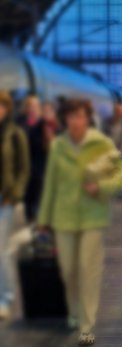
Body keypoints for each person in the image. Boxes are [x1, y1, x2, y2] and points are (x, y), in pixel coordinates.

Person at [37, 99, 122, 346]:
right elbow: (51, 184)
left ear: (88, 118)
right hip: (63, 217)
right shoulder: (58, 145)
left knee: (88, 271)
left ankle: (86, 326)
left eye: (80, 116)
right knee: (69, 271)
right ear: (65, 119)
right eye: (71, 116)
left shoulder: (101, 144)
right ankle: (74, 312)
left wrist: (101, 186)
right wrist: (43, 220)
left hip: (92, 217)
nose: (76, 121)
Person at [0, 91, 30, 320]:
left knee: (3, 252)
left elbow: (23, 169)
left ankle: (6, 298)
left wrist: (15, 194)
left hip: (6, 199)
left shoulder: (15, 135)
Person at [17, 95, 46, 222]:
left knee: (38, 189)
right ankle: (30, 216)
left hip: (39, 162)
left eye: (35, 105)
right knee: (27, 192)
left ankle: (37, 216)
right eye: (30, 105)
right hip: (24, 161)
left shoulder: (43, 122)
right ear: (26, 107)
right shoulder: (20, 121)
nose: (32, 108)